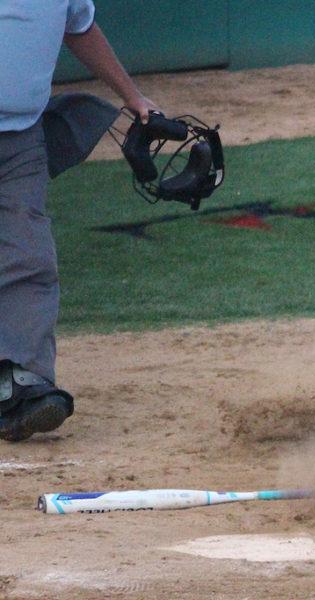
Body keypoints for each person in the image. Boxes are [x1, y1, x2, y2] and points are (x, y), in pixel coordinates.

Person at [0, 1, 158, 441]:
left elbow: (81, 28)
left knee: (30, 256)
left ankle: (20, 386)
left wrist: (132, 96)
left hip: (20, 137)